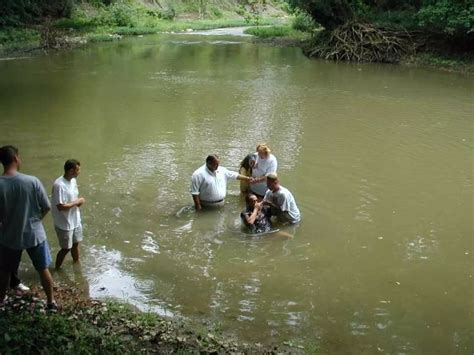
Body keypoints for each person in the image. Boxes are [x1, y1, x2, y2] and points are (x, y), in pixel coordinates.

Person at [0, 145, 56, 309]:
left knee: (4, 271)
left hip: (9, 236)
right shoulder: (32, 181)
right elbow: (46, 207)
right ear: (16, 158)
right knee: (43, 269)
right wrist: (35, 220)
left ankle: (1, 301)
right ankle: (51, 302)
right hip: (34, 234)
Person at [51, 159, 85, 270]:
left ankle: (77, 265)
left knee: (76, 244)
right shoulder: (59, 185)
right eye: (78, 170)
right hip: (64, 223)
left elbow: (73, 199)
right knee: (66, 248)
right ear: (71, 171)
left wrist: (78, 203)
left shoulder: (73, 181)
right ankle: (56, 270)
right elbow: (60, 207)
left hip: (75, 220)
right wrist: (77, 202)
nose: (79, 172)